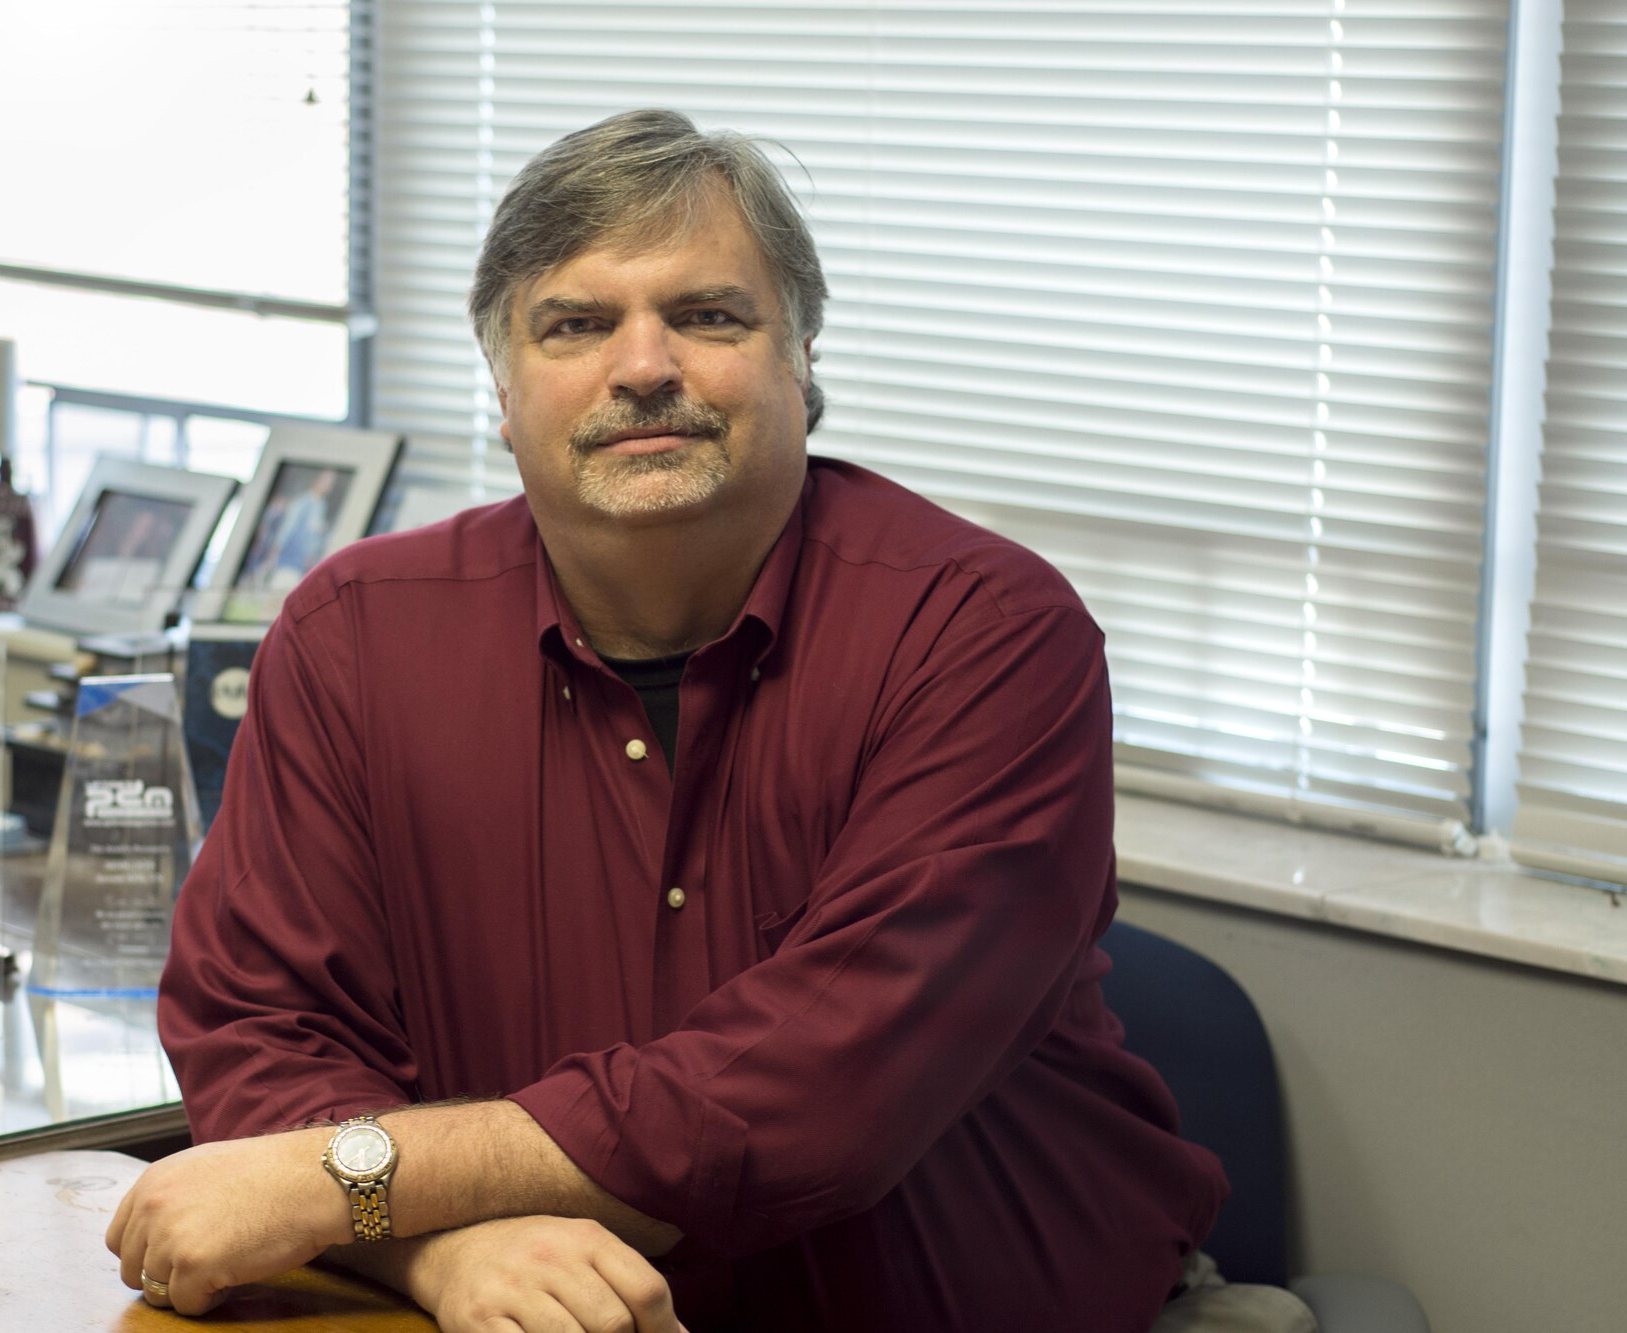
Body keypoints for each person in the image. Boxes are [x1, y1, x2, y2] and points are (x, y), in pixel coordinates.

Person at [107, 108, 1228, 1331]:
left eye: (706, 316)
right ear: (501, 389)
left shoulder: (985, 633)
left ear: (800, 362)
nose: (642, 366)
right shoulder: (352, 635)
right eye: (575, 325)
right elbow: (260, 1025)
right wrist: (438, 1253)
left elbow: (812, 1095)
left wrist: (354, 1183)